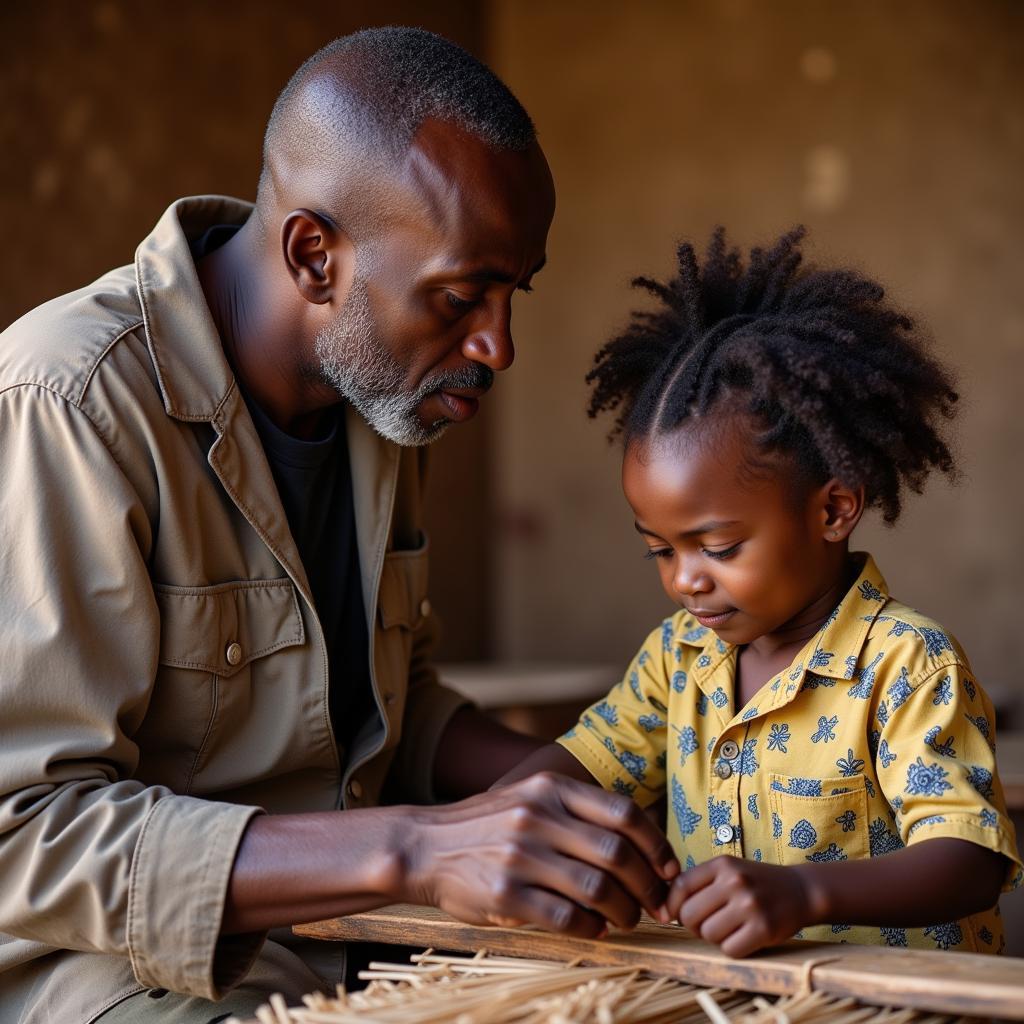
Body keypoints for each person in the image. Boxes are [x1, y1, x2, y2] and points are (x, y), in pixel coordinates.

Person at [0, 28, 678, 1024]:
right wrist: (421, 849)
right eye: (458, 295)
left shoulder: (381, 394)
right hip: (113, 977)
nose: (496, 343)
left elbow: (383, 711)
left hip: (356, 940)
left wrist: (580, 795)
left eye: (510, 291)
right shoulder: (69, 402)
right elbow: (24, 835)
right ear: (316, 255)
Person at [501, 227, 1023, 956]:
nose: (685, 579)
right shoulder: (676, 657)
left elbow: (970, 861)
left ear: (834, 510)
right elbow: (586, 761)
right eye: (659, 549)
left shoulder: (908, 664)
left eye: (718, 548)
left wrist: (803, 894)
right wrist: (483, 827)